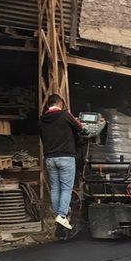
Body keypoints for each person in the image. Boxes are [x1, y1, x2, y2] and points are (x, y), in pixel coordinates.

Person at [39, 94, 83, 230]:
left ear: (48, 105)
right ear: (61, 104)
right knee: (66, 188)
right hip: (65, 157)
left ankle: (58, 215)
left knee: (55, 188)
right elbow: (80, 128)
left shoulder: (41, 119)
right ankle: (62, 216)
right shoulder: (65, 115)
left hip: (50, 158)